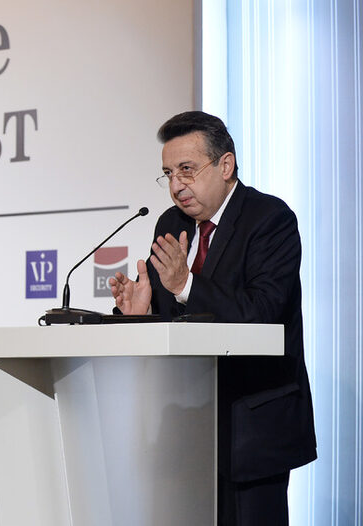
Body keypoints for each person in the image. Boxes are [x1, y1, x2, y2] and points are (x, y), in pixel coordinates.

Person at [109, 111, 316, 525]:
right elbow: (175, 319)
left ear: (225, 165)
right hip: (184, 430)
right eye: (168, 174)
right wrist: (140, 314)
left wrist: (186, 284)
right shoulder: (171, 223)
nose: (176, 186)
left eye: (187, 170)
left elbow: (263, 311)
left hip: (250, 427)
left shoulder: (269, 219)